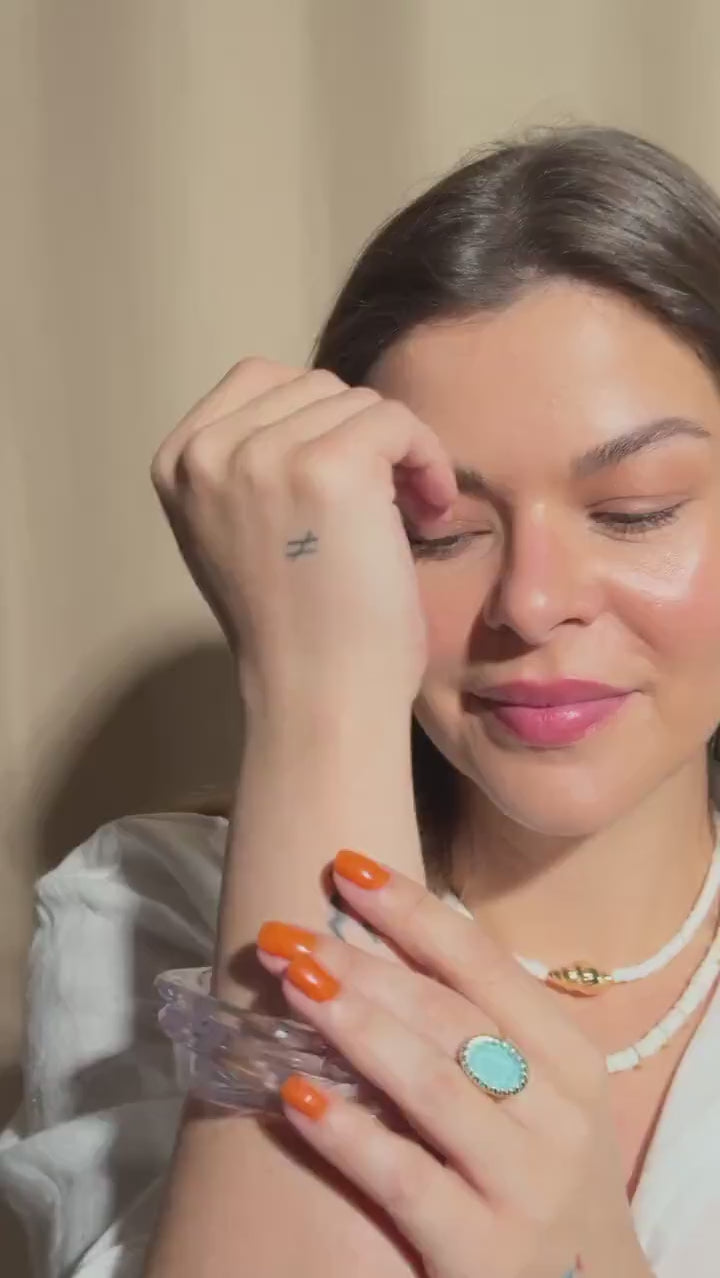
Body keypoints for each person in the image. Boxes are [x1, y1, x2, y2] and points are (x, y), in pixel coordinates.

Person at [3, 124, 720, 1278]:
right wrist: (312, 685)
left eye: (632, 510)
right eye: (438, 531)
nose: (531, 604)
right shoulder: (158, 911)